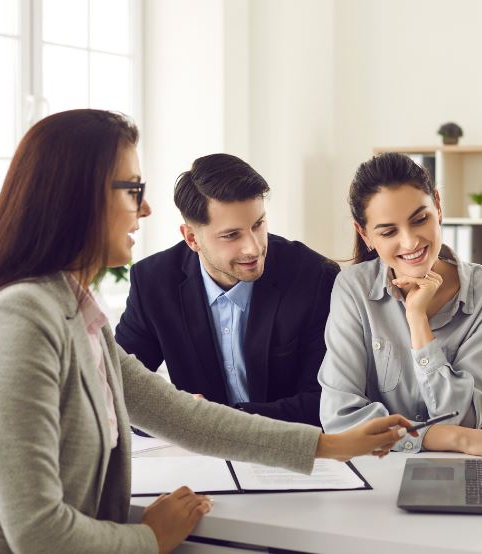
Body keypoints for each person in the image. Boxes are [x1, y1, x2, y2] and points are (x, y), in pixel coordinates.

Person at [0, 110, 415, 554]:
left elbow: (175, 413)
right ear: (76, 199)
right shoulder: (18, 318)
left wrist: (328, 446)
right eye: (133, 190)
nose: (144, 208)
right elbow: (38, 533)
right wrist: (149, 536)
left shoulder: (74, 309)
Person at [318, 152, 482, 458]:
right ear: (365, 234)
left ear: (438, 205)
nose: (410, 242)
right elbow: (340, 420)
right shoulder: (353, 289)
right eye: (388, 232)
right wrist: (453, 437)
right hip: (381, 469)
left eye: (420, 219)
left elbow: (465, 418)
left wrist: (417, 320)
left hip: (467, 465)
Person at [115, 153, 338, 426]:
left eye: (258, 225)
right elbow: (118, 392)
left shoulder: (313, 276)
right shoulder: (153, 282)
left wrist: (209, 420)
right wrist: (178, 416)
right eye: (231, 235)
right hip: (199, 457)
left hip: (291, 452)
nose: (254, 247)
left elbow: (325, 401)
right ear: (192, 238)